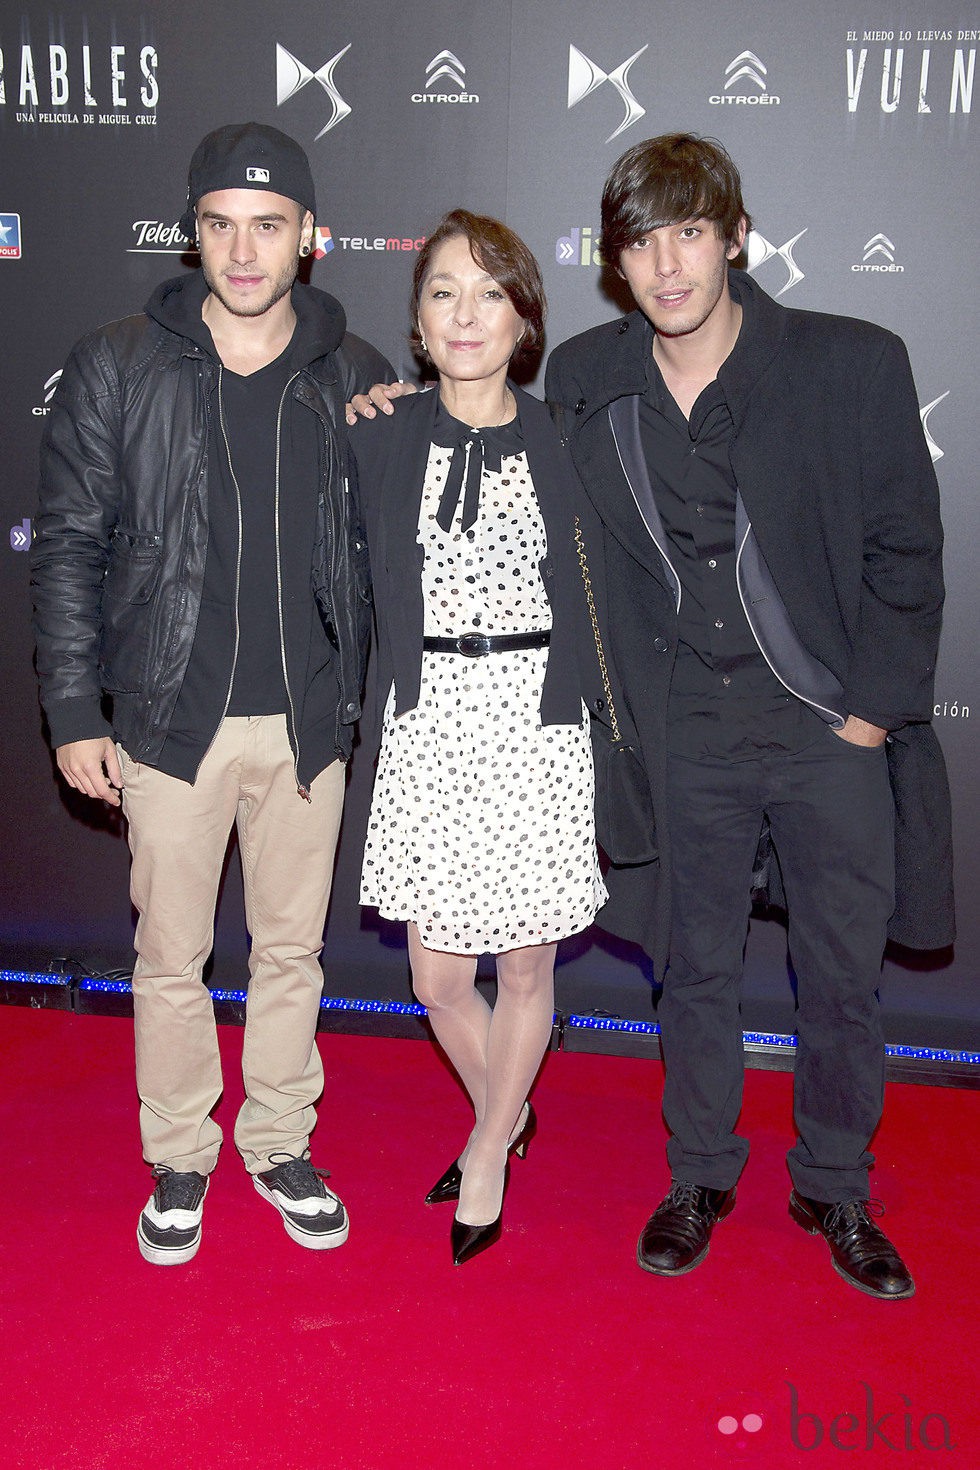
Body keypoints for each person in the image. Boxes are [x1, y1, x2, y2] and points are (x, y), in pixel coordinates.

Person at [545, 134, 953, 1298]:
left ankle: (833, 1184)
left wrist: (870, 717)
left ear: (734, 234)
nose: (665, 265)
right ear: (614, 262)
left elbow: (903, 553)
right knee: (695, 968)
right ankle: (699, 1174)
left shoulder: (848, 363)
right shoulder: (586, 376)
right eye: (638, 242)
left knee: (838, 975)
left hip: (822, 723)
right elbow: (493, 432)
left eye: (686, 232)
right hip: (680, 726)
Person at [30, 122, 393, 1265]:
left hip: (306, 722)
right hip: (164, 717)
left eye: (268, 226)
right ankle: (179, 1156)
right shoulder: (116, 364)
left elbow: (391, 547)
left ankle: (279, 1140)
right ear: (194, 238)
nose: (244, 251)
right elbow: (70, 549)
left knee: (292, 955)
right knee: (170, 958)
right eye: (221, 225)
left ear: (309, 240)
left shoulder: (358, 376)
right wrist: (76, 711)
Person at [350, 210, 606, 1265]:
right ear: (416, 321)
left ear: (523, 320)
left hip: (536, 721)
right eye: (443, 292)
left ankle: (490, 1146)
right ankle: (506, 1106)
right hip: (429, 723)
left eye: (489, 292)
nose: (466, 313)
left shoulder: (566, 437)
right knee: (438, 983)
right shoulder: (378, 431)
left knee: (527, 970)